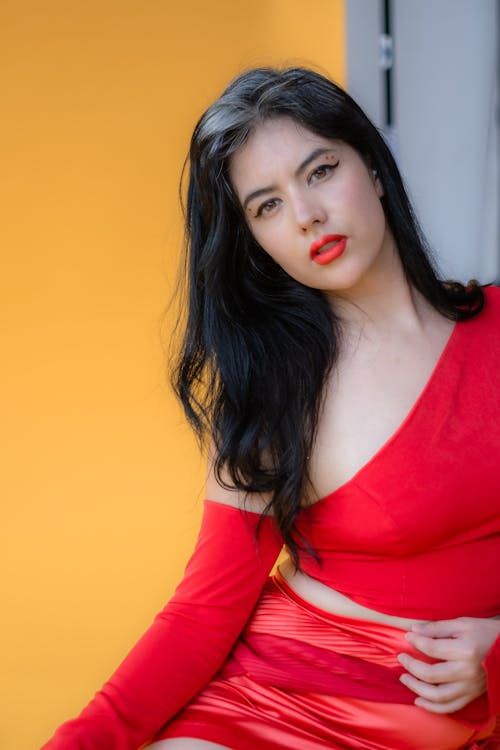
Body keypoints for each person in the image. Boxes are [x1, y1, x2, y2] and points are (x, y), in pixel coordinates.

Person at [42, 66, 500, 750]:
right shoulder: (274, 394)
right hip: (267, 707)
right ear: (256, 242)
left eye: (319, 172)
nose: (307, 215)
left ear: (373, 167)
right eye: (267, 206)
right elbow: (202, 614)